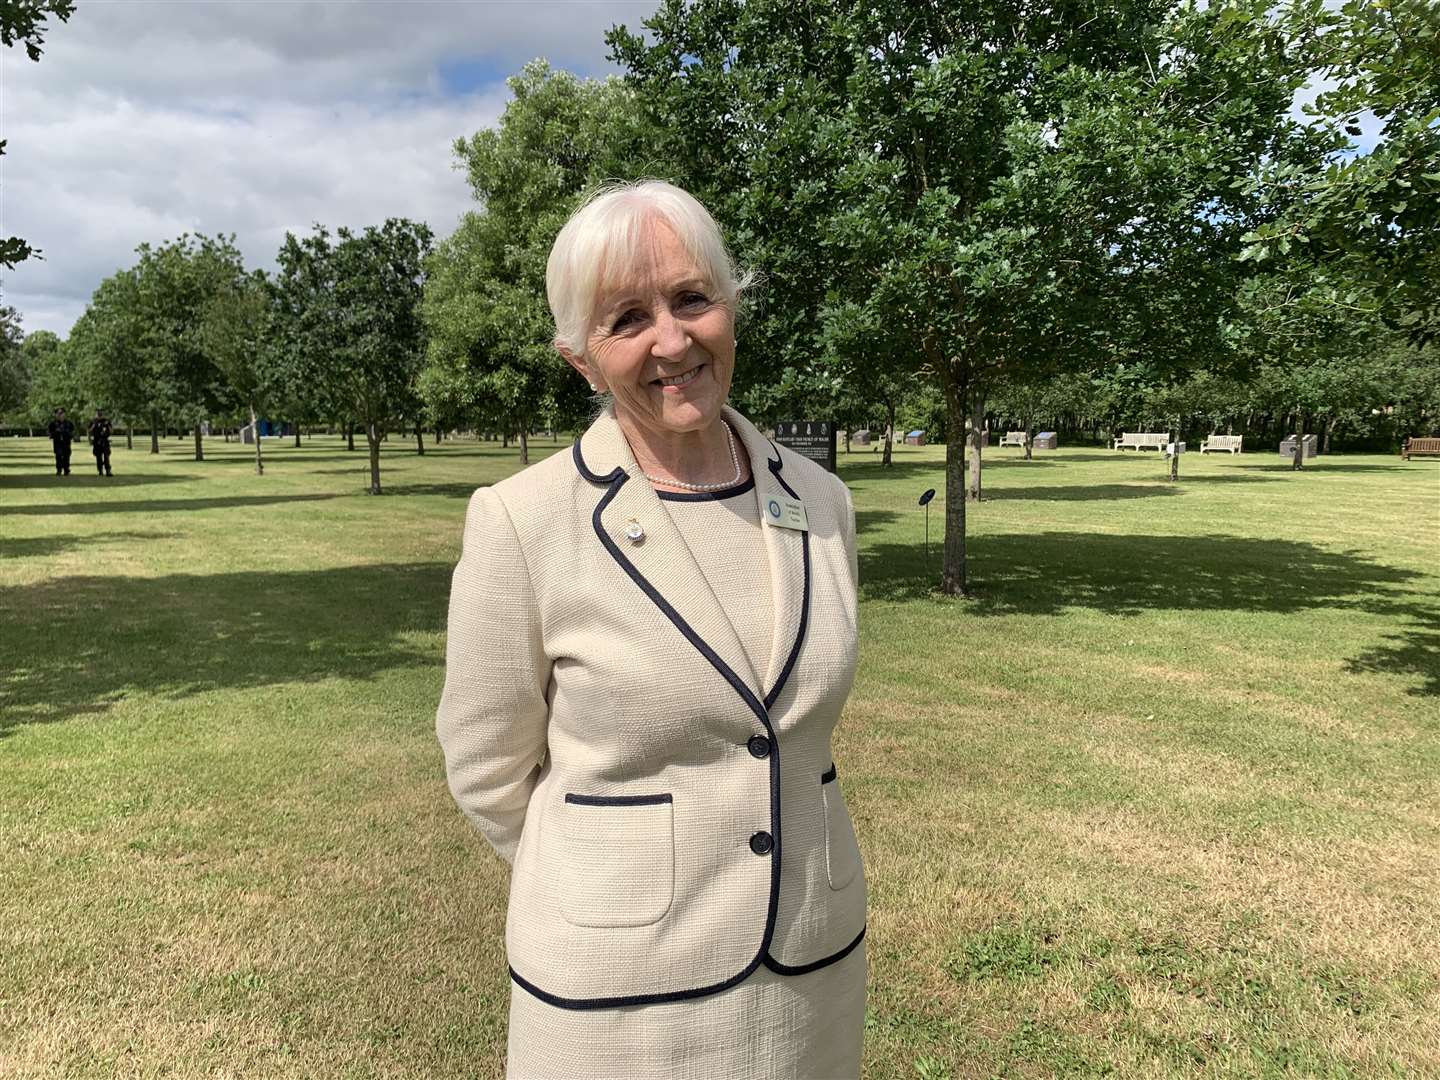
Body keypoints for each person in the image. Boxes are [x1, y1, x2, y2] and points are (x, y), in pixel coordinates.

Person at [436, 181, 866, 1079]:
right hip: (614, 1003)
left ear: (731, 308)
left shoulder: (823, 502)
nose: (672, 341)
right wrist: (609, 867)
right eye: (626, 318)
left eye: (692, 299)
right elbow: (486, 766)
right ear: (581, 361)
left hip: (809, 978)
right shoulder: (523, 521)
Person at [46, 407, 75, 476]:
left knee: (66, 456)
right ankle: (59, 469)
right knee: (58, 456)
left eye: (61, 413)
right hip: (57, 442)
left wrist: (69, 434)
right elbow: (49, 433)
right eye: (58, 413)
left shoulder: (68, 423)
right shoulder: (53, 424)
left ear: (64, 414)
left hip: (66, 442)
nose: (60, 415)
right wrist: (55, 433)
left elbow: (72, 432)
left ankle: (66, 469)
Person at [88, 409, 113, 476]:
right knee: (98, 457)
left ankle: (108, 470)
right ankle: (100, 471)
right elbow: (89, 430)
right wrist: (94, 425)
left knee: (106, 456)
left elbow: (111, 431)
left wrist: (108, 425)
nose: (100, 414)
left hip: (105, 440)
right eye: (98, 413)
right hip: (97, 441)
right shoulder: (93, 421)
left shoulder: (106, 421)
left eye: (101, 413)